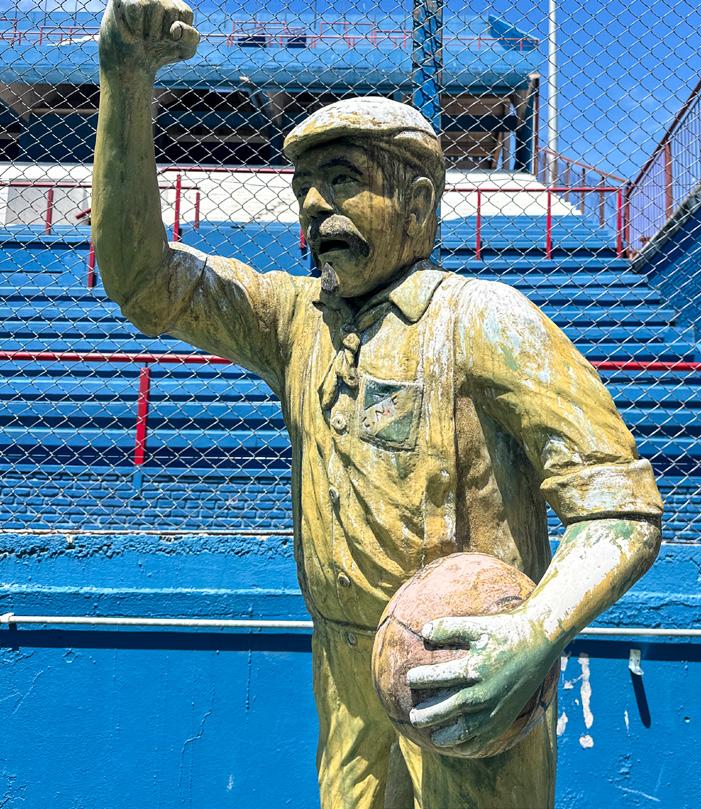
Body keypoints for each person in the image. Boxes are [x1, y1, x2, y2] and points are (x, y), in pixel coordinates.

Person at [93, 2, 664, 806]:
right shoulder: (294, 321)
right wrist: (124, 78)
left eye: (342, 181)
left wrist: (533, 631)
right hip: (346, 672)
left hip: (465, 676)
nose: (312, 207)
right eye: (304, 188)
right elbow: (142, 281)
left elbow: (619, 508)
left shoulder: (486, 321)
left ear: (419, 203)